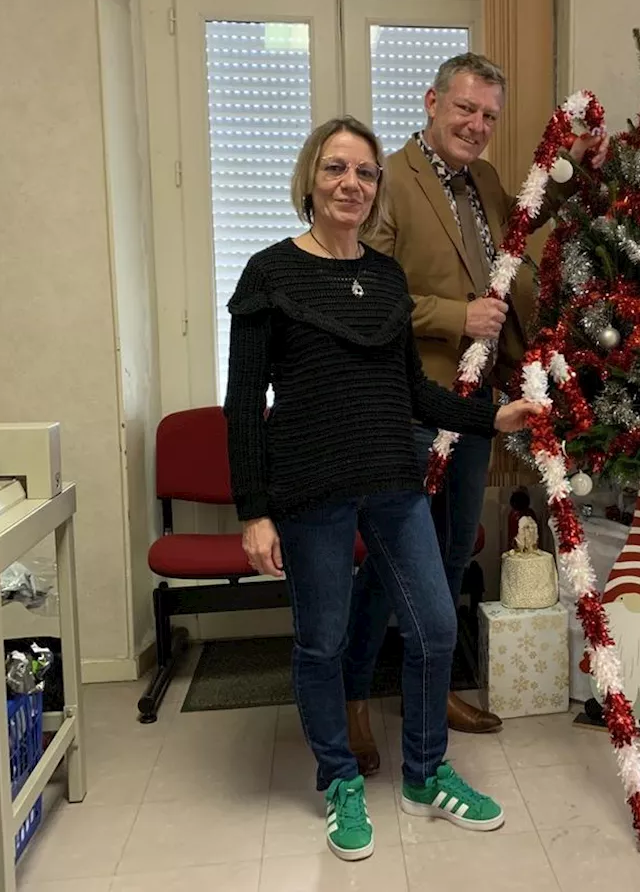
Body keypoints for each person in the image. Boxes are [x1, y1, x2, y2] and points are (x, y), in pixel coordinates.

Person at [224, 115, 541, 862]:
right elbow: (243, 406)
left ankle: (427, 773)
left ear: (376, 190)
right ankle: (338, 779)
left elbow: (413, 395)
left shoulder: (387, 277)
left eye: (364, 173)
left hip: (393, 483)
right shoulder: (270, 273)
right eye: (336, 169)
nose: (350, 184)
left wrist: (492, 416)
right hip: (311, 493)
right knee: (323, 641)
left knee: (434, 628)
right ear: (311, 179)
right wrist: (254, 512)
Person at [341, 53, 607, 770]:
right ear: (432, 102)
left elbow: (520, 227)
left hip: (481, 406)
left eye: (489, 115)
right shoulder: (387, 178)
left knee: (456, 552)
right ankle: (353, 697)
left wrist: (574, 168)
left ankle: (433, 692)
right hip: (413, 402)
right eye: (465, 109)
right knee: (398, 564)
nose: (477, 125)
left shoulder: (486, 178)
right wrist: (458, 316)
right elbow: (370, 291)